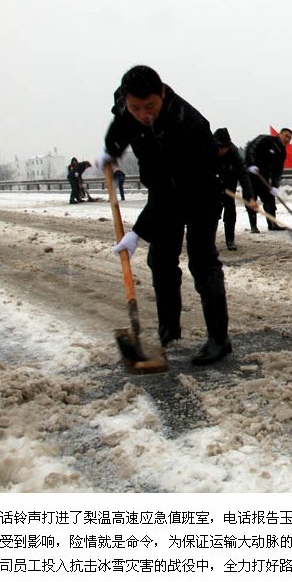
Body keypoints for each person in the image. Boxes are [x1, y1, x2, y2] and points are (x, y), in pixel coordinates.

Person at [96, 65, 231, 366]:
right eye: (135, 108)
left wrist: (138, 231)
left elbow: (172, 194)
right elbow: (121, 127)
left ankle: (219, 340)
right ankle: (169, 329)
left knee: (202, 261)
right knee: (160, 260)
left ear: (163, 94)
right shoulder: (128, 109)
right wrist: (111, 150)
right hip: (164, 188)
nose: (143, 114)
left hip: (200, 189)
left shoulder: (188, 124)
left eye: (150, 107)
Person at [212, 127, 254, 250]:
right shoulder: (207, 150)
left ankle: (230, 240)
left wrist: (249, 197)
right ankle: (209, 240)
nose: (223, 150)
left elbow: (244, 175)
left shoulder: (233, 153)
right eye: (220, 147)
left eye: (225, 147)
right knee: (212, 212)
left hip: (229, 184)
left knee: (230, 211)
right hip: (212, 185)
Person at [244, 128, 292, 231]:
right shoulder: (265, 139)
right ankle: (253, 226)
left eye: (290, 138)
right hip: (251, 174)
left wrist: (275, 186)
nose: (287, 139)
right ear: (280, 134)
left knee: (270, 200)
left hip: (264, 177)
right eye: (286, 136)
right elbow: (251, 148)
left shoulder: (281, 152)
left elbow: (278, 171)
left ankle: (272, 224)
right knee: (251, 199)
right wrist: (251, 163)